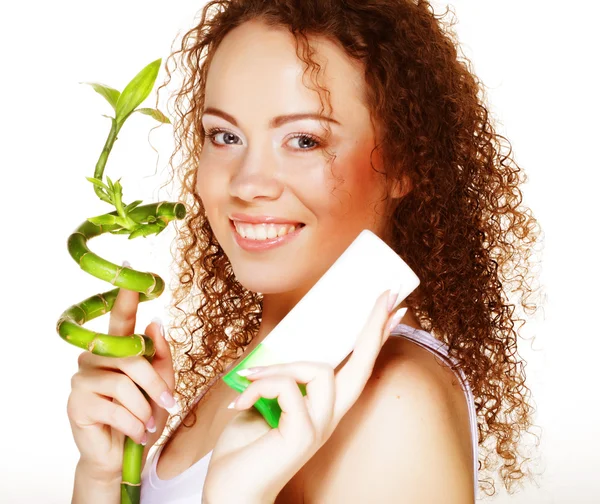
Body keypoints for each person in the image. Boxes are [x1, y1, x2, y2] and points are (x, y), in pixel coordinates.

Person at [67, 1, 542, 502]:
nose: (248, 184)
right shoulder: (261, 363)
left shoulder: (397, 403)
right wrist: (101, 476)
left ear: (406, 162)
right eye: (224, 135)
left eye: (303, 140)